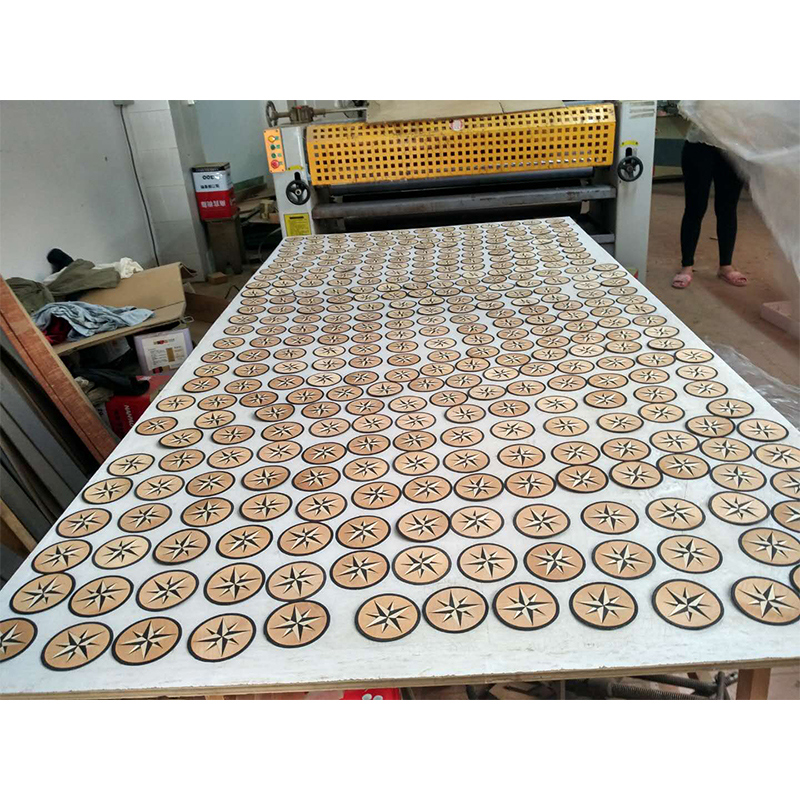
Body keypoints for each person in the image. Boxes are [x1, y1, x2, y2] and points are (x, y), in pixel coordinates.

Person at [673, 123, 747, 289]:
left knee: (728, 208)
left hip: (734, 146)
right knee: (695, 207)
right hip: (700, 143)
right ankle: (687, 266)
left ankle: (726, 266)